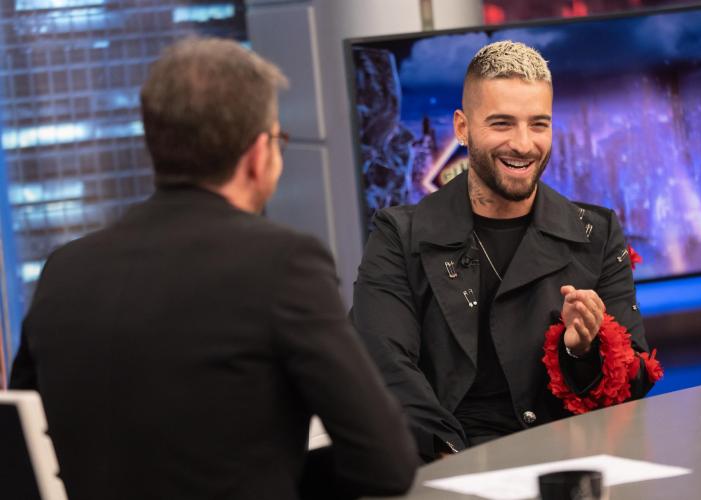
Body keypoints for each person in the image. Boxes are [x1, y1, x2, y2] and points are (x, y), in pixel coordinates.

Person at [10, 37, 417, 500]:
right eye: (279, 140)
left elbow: (22, 443)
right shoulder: (284, 264)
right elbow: (386, 463)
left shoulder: (64, 270)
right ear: (258, 155)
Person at [351, 40, 663, 463]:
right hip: (449, 460)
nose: (523, 144)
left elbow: (635, 379)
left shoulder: (597, 233)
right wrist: (448, 459)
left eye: (538, 124)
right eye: (502, 124)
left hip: (569, 461)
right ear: (462, 128)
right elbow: (383, 365)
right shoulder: (398, 236)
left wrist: (582, 352)